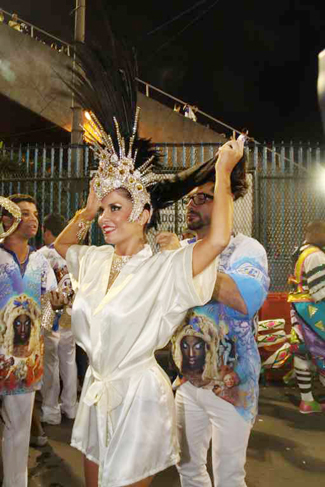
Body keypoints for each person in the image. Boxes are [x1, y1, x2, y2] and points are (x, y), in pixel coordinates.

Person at [54, 26, 244, 487]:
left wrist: (222, 172)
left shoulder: (164, 269)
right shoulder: (96, 262)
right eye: (104, 211)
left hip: (137, 398)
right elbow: (60, 248)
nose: (105, 219)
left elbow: (216, 240)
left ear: (142, 213)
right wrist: (86, 208)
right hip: (96, 392)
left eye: (115, 209)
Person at [160, 163, 269, 487]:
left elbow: (243, 299)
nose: (191, 204)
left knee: (229, 476)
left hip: (232, 388)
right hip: (187, 384)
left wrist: (182, 263)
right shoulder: (182, 250)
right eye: (189, 199)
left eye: (203, 198)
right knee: (188, 469)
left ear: (224, 203)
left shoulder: (247, 249)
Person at [0, 194, 56, 487]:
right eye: (24, 213)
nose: (33, 219)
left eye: (35, 213)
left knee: (18, 432)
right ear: (6, 220)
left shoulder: (42, 262)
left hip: (24, 363)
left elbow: (48, 311)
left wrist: (53, 310)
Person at [38, 213, 78, 424]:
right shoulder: (72, 253)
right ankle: (71, 407)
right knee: (69, 359)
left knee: (50, 362)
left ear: (46, 231)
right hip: (70, 312)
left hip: (50, 313)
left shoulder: (43, 254)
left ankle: (51, 410)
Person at [288, 220, 325, 413]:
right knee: (321, 352)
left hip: (298, 311)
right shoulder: (316, 256)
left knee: (302, 353)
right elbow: (320, 292)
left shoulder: (300, 253)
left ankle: (307, 401)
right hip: (315, 313)